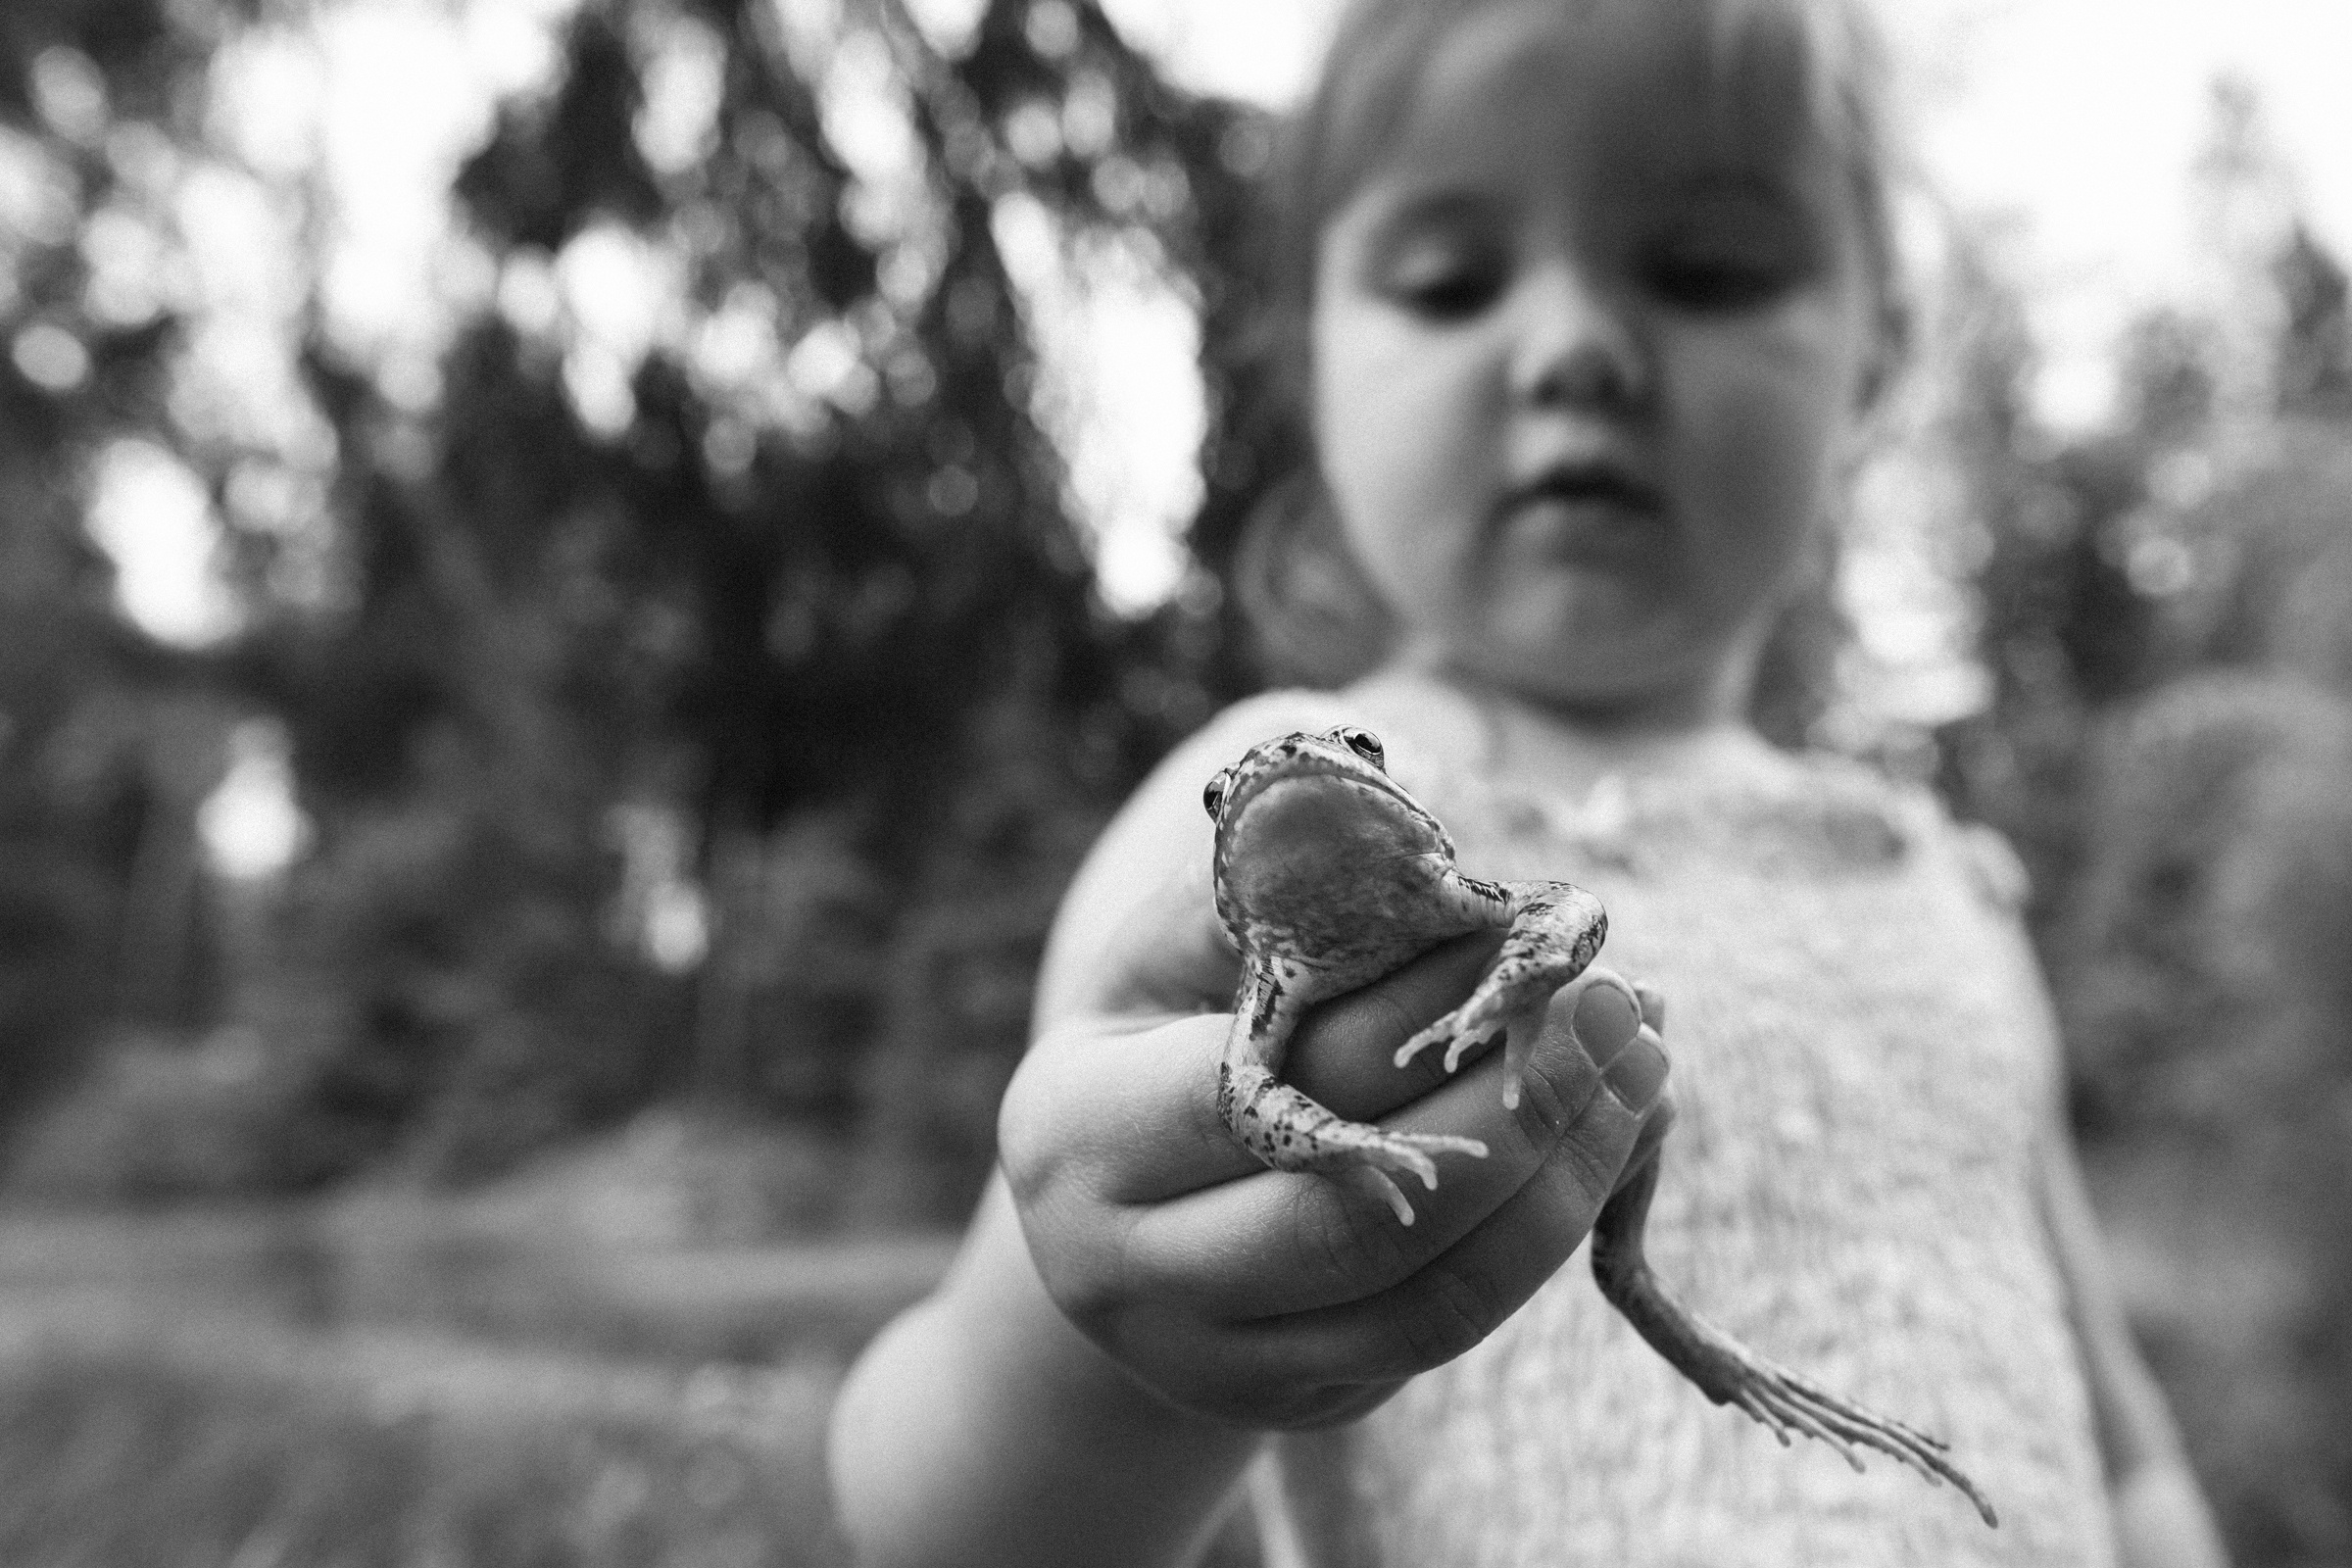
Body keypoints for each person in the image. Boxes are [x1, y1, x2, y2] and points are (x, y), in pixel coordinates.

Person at [827, 0, 2230, 1562]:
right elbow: (929, 1523)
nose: (1574, 350)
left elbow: (2130, 1448)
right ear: (1312, 365)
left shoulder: (1945, 888)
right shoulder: (1253, 798)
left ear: (1879, 345)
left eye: (1706, 270)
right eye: (1448, 281)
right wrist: (1097, 1340)